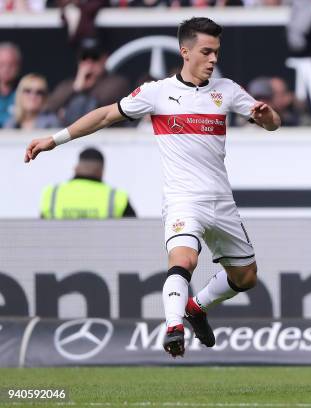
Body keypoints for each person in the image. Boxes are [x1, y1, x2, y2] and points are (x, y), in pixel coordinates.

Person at [25, 17, 281, 358]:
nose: (213, 59)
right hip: (182, 200)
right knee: (183, 260)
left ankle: (196, 308)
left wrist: (267, 118)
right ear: (185, 52)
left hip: (221, 201)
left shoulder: (227, 91)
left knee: (246, 277)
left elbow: (272, 122)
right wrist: (54, 140)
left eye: (216, 52)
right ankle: (174, 326)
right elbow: (103, 116)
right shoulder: (157, 93)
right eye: (206, 52)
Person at [46, 40, 131, 127]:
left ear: (104, 59)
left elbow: (103, 104)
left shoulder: (117, 82)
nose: (89, 63)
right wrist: (76, 88)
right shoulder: (70, 85)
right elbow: (50, 107)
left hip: (105, 136)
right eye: (84, 57)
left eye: (95, 57)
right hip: (72, 137)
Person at [39, 147, 136, 219]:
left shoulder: (52, 193)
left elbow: (39, 233)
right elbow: (134, 233)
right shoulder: (117, 196)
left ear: (76, 168)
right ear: (101, 171)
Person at [0, 42, 21, 127]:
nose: (6, 69)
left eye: (11, 65)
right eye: (1, 65)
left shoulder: (28, 92)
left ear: (18, 66)